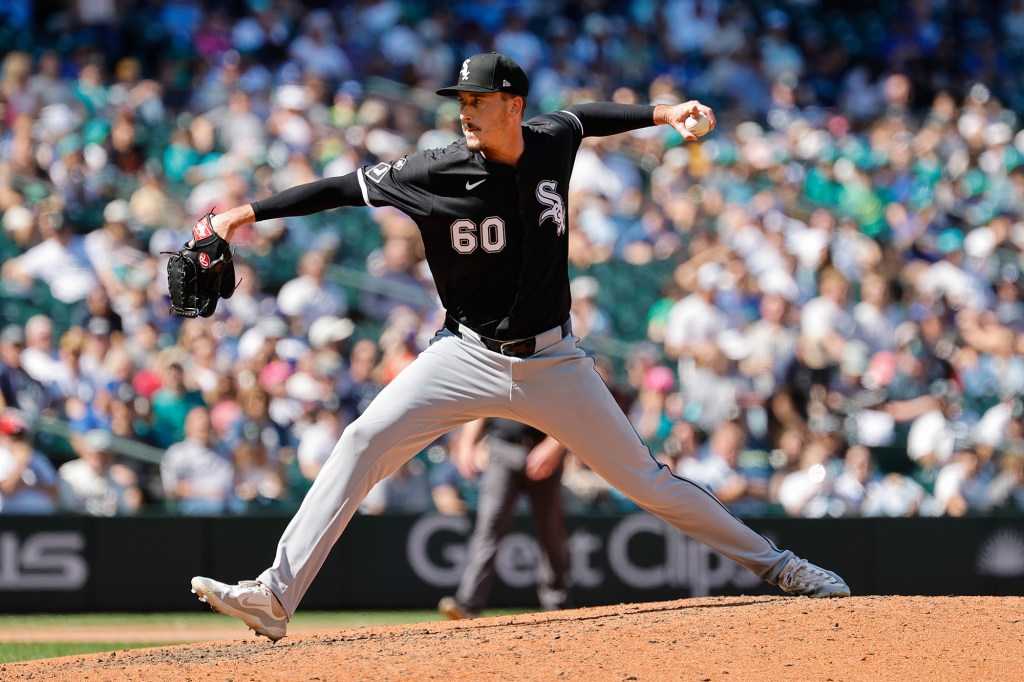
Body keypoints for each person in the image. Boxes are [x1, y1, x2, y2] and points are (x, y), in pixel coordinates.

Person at [190, 52, 849, 642]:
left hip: (556, 361)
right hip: (464, 354)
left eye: (477, 100)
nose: (466, 111)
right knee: (362, 441)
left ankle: (785, 569)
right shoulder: (433, 170)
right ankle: (274, 595)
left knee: (648, 482)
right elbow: (339, 190)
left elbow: (586, 117)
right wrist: (237, 216)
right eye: (461, 102)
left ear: (514, 106)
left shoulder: (548, 141)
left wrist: (664, 112)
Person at [437, 417, 570, 620]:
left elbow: (571, 407)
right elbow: (484, 403)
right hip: (502, 448)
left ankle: (558, 606)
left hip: (545, 446)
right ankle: (468, 605)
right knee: (488, 527)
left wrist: (554, 446)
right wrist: (466, 444)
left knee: (551, 530)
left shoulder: (558, 382)